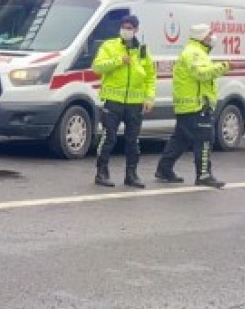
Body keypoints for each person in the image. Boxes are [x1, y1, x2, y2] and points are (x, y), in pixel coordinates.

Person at [156, 24, 230, 188]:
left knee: (180, 140)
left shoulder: (194, 51)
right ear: (202, 37)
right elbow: (202, 74)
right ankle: (203, 175)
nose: (213, 38)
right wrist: (223, 66)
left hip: (188, 106)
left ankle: (164, 169)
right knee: (205, 139)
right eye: (210, 34)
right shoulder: (194, 53)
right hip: (197, 105)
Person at [92, 14, 155, 189]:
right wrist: (119, 61)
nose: (126, 30)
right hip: (113, 101)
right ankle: (102, 172)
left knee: (133, 140)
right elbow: (97, 67)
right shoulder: (110, 46)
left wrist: (149, 98)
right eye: (124, 27)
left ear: (136, 30)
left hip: (135, 104)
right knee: (108, 137)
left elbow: (150, 76)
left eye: (130, 28)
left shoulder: (142, 50)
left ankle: (131, 174)